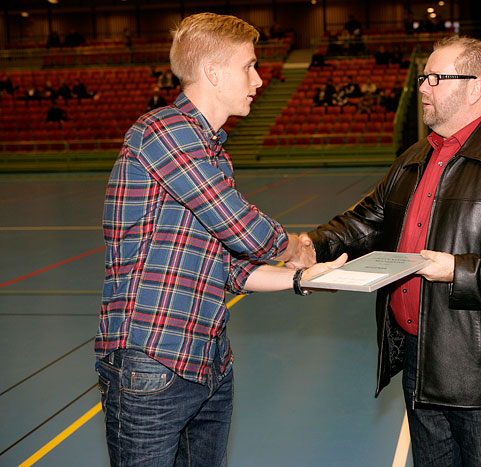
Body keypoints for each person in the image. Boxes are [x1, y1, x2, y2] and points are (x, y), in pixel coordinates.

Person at [300, 37, 481, 466]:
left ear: (475, 87)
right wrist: (310, 245)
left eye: (435, 78)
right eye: (423, 77)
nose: (423, 87)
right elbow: (369, 218)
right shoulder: (416, 155)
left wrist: (457, 270)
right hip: (420, 360)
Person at [95, 13, 339, 467]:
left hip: (207, 362)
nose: (260, 79)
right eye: (248, 66)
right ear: (211, 71)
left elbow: (228, 266)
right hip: (154, 360)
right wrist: (293, 248)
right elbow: (240, 226)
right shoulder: (164, 132)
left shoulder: (212, 152)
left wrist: (303, 277)